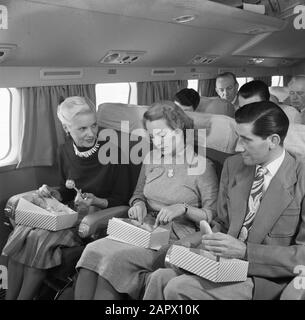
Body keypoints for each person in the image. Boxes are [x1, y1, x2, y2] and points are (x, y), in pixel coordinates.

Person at [144, 101, 305, 300]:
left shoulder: (301, 178)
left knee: (178, 287)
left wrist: (246, 252)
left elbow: (302, 255)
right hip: (221, 263)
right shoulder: (234, 166)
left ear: (273, 140)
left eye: (246, 140)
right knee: (159, 277)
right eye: (238, 138)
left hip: (264, 276)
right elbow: (222, 222)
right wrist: (201, 243)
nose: (238, 147)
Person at [74, 101, 219, 300]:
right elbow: (138, 194)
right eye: (152, 137)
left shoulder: (203, 166)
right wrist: (138, 204)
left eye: (161, 136)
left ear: (178, 132)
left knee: (112, 259)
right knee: (93, 249)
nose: (156, 142)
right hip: (143, 229)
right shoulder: (151, 158)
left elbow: (212, 216)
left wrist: (183, 209)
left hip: (175, 239)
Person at [3, 96, 130, 300]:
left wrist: (95, 200)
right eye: (82, 129)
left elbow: (122, 200)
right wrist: (54, 193)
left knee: (37, 238)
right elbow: (68, 189)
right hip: (69, 213)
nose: (91, 133)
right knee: (23, 232)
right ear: (66, 128)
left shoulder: (115, 153)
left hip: (95, 219)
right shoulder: (65, 151)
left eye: (94, 126)